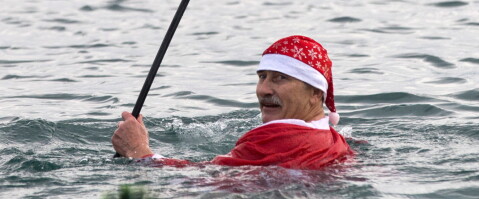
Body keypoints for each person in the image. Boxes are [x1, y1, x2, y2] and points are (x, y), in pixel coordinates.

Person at [112, 35, 353, 169]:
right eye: (262, 77)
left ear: (315, 94)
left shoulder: (276, 138)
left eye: (280, 78)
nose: (264, 90)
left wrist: (140, 152)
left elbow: (204, 181)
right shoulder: (335, 139)